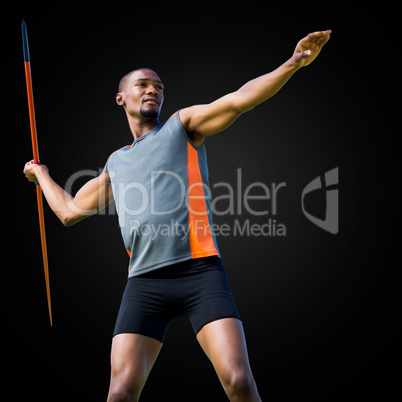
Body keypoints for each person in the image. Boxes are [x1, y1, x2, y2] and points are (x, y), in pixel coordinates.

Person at [24, 30, 331, 401]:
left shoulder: (181, 127)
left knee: (238, 379)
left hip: (200, 274)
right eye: (143, 84)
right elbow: (70, 212)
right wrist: (41, 175)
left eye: (158, 86)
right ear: (121, 97)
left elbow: (239, 101)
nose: (153, 90)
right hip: (143, 284)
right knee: (120, 391)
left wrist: (293, 63)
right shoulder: (115, 163)